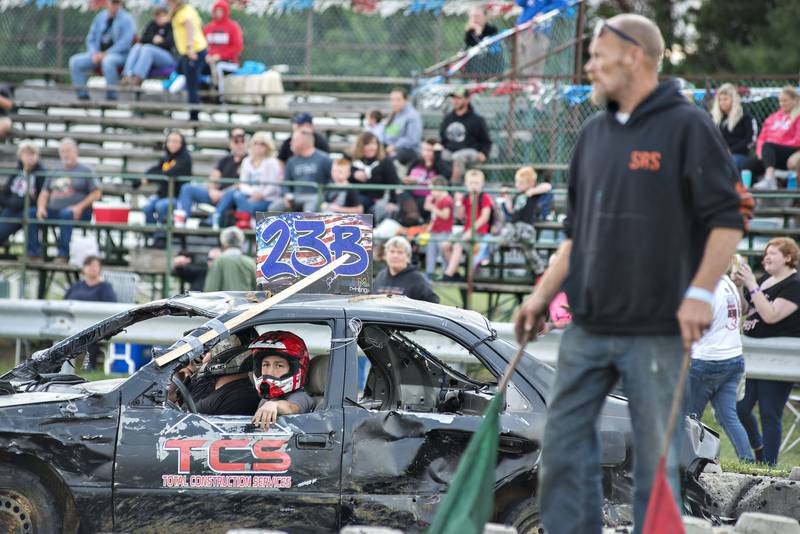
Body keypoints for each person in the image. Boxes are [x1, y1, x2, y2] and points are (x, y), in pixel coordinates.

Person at [513, 15, 744, 533]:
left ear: (634, 55)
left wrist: (698, 294)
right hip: (588, 326)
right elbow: (575, 237)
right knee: (562, 453)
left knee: (654, 468)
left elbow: (726, 223)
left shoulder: (687, 126)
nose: (589, 66)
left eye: (597, 56)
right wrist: (538, 298)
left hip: (657, 329)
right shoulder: (594, 133)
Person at [734, 238, 800, 465]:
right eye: (765, 253)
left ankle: (768, 465)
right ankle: (759, 447)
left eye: (773, 253)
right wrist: (741, 286)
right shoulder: (764, 280)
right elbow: (747, 310)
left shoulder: (794, 284)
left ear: (788, 257)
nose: (766, 257)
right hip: (755, 357)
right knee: (741, 408)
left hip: (778, 358)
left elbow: (771, 316)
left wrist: (752, 284)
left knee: (770, 412)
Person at [686, 262, 753, 462]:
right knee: (728, 417)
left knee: (689, 417)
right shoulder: (727, 281)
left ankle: (688, 462)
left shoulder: (706, 286)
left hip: (708, 360)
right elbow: (742, 308)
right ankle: (748, 460)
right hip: (733, 358)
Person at [27, 138, 102, 262]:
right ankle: (33, 253)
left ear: (76, 152)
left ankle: (63, 254)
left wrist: (79, 207)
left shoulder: (86, 170)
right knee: (30, 213)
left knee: (66, 214)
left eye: (68, 151)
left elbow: (96, 193)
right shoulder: (55, 171)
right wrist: (41, 207)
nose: (65, 154)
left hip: (79, 212)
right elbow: (44, 193)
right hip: (55, 210)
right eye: (62, 151)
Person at [177, 128, 247, 227]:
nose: (240, 144)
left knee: (232, 193)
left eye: (242, 141)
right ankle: (180, 223)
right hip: (217, 195)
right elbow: (213, 178)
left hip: (231, 198)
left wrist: (222, 193)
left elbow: (243, 183)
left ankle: (211, 221)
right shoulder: (225, 160)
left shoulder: (248, 161)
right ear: (231, 143)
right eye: (236, 141)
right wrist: (212, 191)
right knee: (187, 188)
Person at [68, 0, 135, 101]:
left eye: (116, 2)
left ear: (120, 4)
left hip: (119, 56)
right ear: (107, 3)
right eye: (112, 2)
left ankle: (111, 98)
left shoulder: (127, 19)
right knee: (75, 62)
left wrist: (105, 54)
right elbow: (91, 39)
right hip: (97, 55)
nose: (114, 5)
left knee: (108, 61)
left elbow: (125, 43)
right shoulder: (100, 17)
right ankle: (83, 97)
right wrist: (94, 53)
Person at [213, 132, 282, 225]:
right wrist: (253, 193)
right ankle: (246, 221)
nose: (258, 146)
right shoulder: (246, 161)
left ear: (268, 147)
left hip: (266, 199)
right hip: (249, 197)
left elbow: (273, 186)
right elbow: (243, 183)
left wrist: (260, 194)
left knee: (241, 202)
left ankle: (245, 221)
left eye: (262, 144)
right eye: (255, 143)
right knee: (236, 195)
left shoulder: (272, 162)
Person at [250, 331, 316, 428]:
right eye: (266, 365)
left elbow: (292, 408)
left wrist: (274, 406)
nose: (270, 372)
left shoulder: (301, 396)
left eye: (279, 366)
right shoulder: (267, 399)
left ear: (294, 369)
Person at [64, 255, 118, 370]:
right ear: (83, 268)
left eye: (95, 265)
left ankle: (89, 365)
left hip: (95, 323)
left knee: (92, 333)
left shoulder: (105, 287)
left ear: (100, 268)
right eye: (89, 265)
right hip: (74, 321)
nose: (92, 268)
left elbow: (111, 306)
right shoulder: (76, 286)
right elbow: (64, 303)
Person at [442, 169, 494, 281]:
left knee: (458, 245)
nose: (474, 186)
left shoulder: (484, 197)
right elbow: (460, 216)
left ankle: (448, 274)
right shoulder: (466, 197)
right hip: (466, 230)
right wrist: (459, 202)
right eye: (471, 183)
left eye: (477, 183)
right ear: (466, 184)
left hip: (479, 233)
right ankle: (455, 272)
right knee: (445, 245)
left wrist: (471, 231)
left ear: (482, 184)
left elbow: (485, 218)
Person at [498, 165, 550, 275]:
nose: (518, 185)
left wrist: (533, 190)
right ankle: (505, 246)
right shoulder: (517, 195)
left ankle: (540, 272)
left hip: (526, 225)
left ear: (531, 183)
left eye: (521, 183)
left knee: (529, 250)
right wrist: (507, 197)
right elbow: (511, 211)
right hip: (514, 225)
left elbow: (548, 186)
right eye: (517, 182)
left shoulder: (533, 194)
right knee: (504, 233)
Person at [439, 87, 492, 184]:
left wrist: (484, 153)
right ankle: (440, 186)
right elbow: (443, 139)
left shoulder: (477, 120)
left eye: (459, 98)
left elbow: (486, 140)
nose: (455, 101)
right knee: (439, 154)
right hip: (451, 151)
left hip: (471, 152)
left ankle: (454, 188)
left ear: (467, 100)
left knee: (458, 157)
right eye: (454, 98)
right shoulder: (448, 119)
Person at [275, 125, 332, 213]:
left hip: (315, 196)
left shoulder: (324, 158)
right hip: (295, 196)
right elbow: (286, 182)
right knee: (274, 206)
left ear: (304, 141)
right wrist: (286, 195)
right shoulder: (291, 161)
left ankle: (306, 226)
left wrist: (324, 197)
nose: (291, 143)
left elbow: (331, 181)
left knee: (310, 207)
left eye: (294, 140)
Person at [0, 142, 46, 247]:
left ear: (37, 156)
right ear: (20, 156)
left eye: (32, 154)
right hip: (12, 209)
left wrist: (25, 201)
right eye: (26, 154)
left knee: (30, 214)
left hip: (29, 209)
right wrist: (11, 202)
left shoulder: (41, 174)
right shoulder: (17, 173)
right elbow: (5, 194)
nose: (29, 157)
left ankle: (33, 253)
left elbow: (42, 196)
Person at [141, 131, 192, 226]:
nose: (173, 144)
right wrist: (148, 176)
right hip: (162, 195)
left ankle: (162, 236)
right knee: (147, 207)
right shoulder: (167, 157)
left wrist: (151, 178)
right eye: (171, 141)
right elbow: (154, 170)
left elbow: (169, 173)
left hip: (177, 198)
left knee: (161, 206)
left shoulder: (185, 158)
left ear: (182, 143)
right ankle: (153, 234)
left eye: (176, 141)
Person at [167, 0, 208, 121]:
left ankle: (194, 116)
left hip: (192, 51)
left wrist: (189, 47)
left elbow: (189, 26)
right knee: (181, 73)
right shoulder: (188, 9)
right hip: (195, 50)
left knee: (192, 85)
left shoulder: (182, 13)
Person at [753, 86, 800, 188]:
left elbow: (798, 140)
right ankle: (749, 198)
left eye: (785, 101)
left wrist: (776, 145)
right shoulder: (773, 117)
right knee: (747, 165)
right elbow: (762, 138)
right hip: (770, 152)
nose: (781, 104)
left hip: (790, 150)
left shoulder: (798, 116)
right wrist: (761, 152)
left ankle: (770, 179)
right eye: (780, 101)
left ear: (795, 100)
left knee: (769, 146)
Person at [120, 4, 176, 87]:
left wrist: (161, 41)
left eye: (162, 15)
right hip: (149, 56)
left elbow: (171, 43)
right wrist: (153, 39)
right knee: (137, 46)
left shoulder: (171, 25)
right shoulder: (152, 25)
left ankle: (137, 78)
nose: (159, 18)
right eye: (157, 15)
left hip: (167, 57)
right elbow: (143, 39)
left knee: (147, 48)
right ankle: (127, 75)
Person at [400, 139, 452, 225]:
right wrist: (408, 181)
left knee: (420, 203)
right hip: (412, 198)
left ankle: (416, 219)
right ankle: (415, 217)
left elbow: (446, 176)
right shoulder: (416, 163)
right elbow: (406, 179)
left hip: (430, 198)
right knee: (401, 192)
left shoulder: (441, 164)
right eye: (424, 150)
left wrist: (437, 156)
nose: (426, 153)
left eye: (430, 150)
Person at [374, 236, 439, 303]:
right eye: (392, 251)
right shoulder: (381, 276)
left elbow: (433, 303)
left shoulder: (417, 279)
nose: (395, 256)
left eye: (400, 252)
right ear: (385, 255)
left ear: (408, 257)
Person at [348, 132, 399, 217]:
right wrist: (354, 175)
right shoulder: (351, 159)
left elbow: (393, 182)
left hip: (373, 198)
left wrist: (392, 201)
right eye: (367, 144)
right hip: (351, 195)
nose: (372, 147)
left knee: (359, 204)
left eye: (374, 144)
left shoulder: (385, 161)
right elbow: (340, 175)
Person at [711, 83, 757, 172]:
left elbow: (749, 140)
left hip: (738, 154)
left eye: (725, 99)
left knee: (728, 162)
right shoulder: (714, 118)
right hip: (718, 153)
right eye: (720, 100)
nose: (722, 102)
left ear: (733, 99)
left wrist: (730, 151)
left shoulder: (745, 117)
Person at [203, 0, 244, 99]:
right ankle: (202, 96)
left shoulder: (233, 27)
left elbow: (237, 47)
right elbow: (202, 45)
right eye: (216, 10)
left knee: (219, 67)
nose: (218, 13)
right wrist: (207, 55)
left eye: (221, 10)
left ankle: (220, 98)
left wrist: (220, 56)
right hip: (210, 61)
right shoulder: (208, 28)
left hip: (229, 63)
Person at [204, 226, 256, 292]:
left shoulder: (219, 262)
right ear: (241, 241)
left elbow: (210, 290)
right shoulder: (250, 262)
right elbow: (258, 290)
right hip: (246, 302)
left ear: (223, 241)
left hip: (223, 302)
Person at [423, 176, 454, 276]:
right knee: (431, 253)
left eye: (432, 189)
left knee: (443, 254)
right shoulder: (436, 200)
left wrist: (432, 207)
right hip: (435, 231)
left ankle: (446, 274)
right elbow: (434, 217)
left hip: (443, 232)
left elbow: (445, 215)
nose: (431, 192)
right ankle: (429, 273)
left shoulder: (446, 200)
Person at [383, 88, 422, 166]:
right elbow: (388, 135)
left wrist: (394, 147)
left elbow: (412, 140)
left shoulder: (412, 116)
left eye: (398, 100)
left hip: (408, 150)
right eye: (392, 100)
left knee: (387, 161)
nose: (395, 103)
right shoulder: (394, 115)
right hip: (391, 148)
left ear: (405, 100)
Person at [464, 6, 503, 75]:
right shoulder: (470, 31)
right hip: (475, 62)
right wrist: (475, 33)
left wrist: (479, 34)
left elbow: (486, 47)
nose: (475, 19)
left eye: (478, 16)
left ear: (484, 17)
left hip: (490, 61)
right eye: (473, 16)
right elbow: (469, 44)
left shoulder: (491, 29)